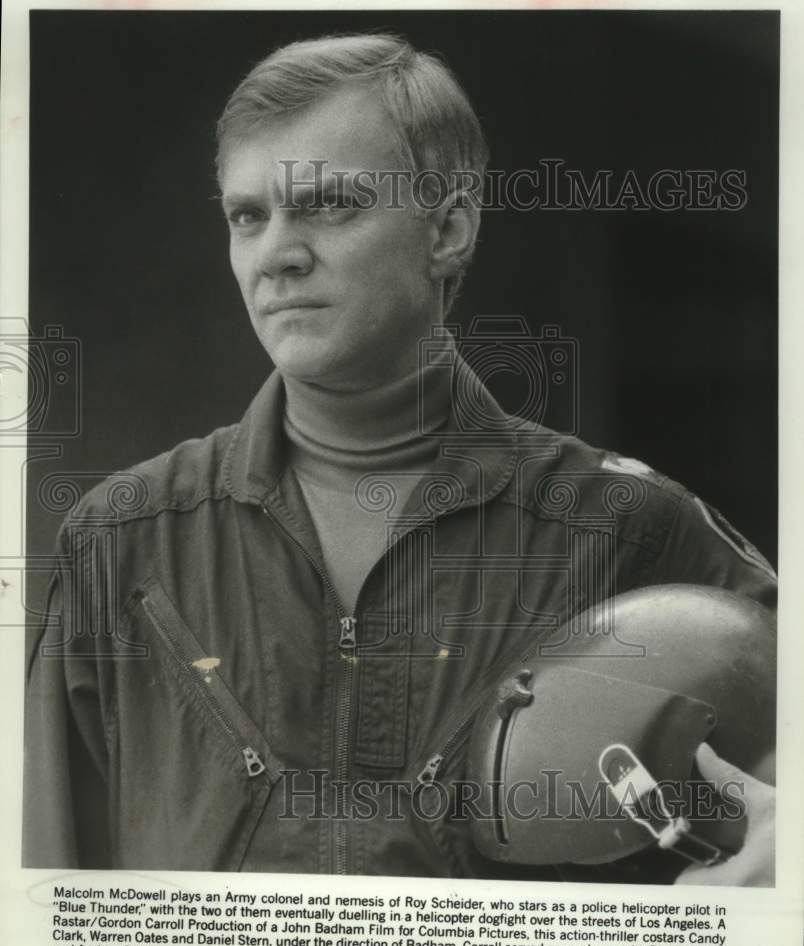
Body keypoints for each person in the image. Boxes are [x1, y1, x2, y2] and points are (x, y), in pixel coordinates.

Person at [23, 33, 776, 881]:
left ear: (448, 229)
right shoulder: (124, 544)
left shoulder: (630, 532)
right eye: (248, 216)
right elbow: (42, 912)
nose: (277, 253)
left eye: (331, 204)